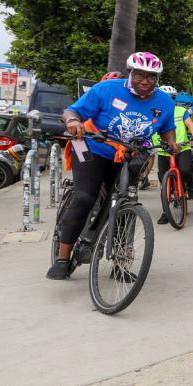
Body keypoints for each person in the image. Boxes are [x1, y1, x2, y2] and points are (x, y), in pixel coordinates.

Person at [47, 52, 177, 280]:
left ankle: (120, 263)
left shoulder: (164, 101)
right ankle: (62, 257)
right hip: (92, 148)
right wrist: (73, 121)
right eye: (139, 75)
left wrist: (171, 142)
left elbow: (166, 126)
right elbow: (73, 110)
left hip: (130, 155)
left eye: (151, 77)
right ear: (130, 73)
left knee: (125, 204)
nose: (145, 81)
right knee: (85, 198)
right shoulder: (107, 90)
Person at [153, 85, 193, 222]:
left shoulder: (181, 110)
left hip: (182, 148)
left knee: (185, 170)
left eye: (171, 98)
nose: (169, 100)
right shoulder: (155, 111)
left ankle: (190, 186)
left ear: (174, 98)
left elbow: (189, 124)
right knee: (163, 181)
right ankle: (166, 212)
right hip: (163, 150)